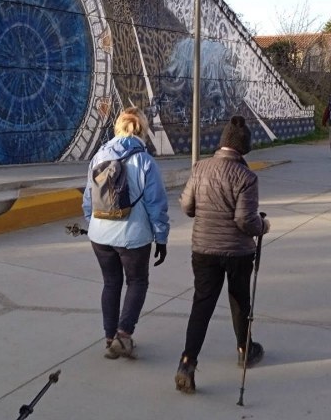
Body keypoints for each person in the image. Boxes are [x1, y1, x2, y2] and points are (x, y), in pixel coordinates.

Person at [175, 115, 270, 394]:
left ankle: (187, 362)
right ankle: (244, 349)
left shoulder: (200, 168)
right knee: (240, 299)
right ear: (243, 147)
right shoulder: (247, 177)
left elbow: (187, 207)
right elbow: (244, 220)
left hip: (203, 248)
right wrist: (262, 225)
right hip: (238, 252)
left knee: (202, 304)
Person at [82, 107, 170, 360]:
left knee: (111, 283)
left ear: (118, 127)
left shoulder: (98, 156)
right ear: (142, 130)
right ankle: (123, 335)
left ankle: (110, 337)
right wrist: (161, 238)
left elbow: (88, 198)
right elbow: (156, 204)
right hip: (133, 236)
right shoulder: (145, 161)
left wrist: (95, 224)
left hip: (100, 235)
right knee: (137, 281)